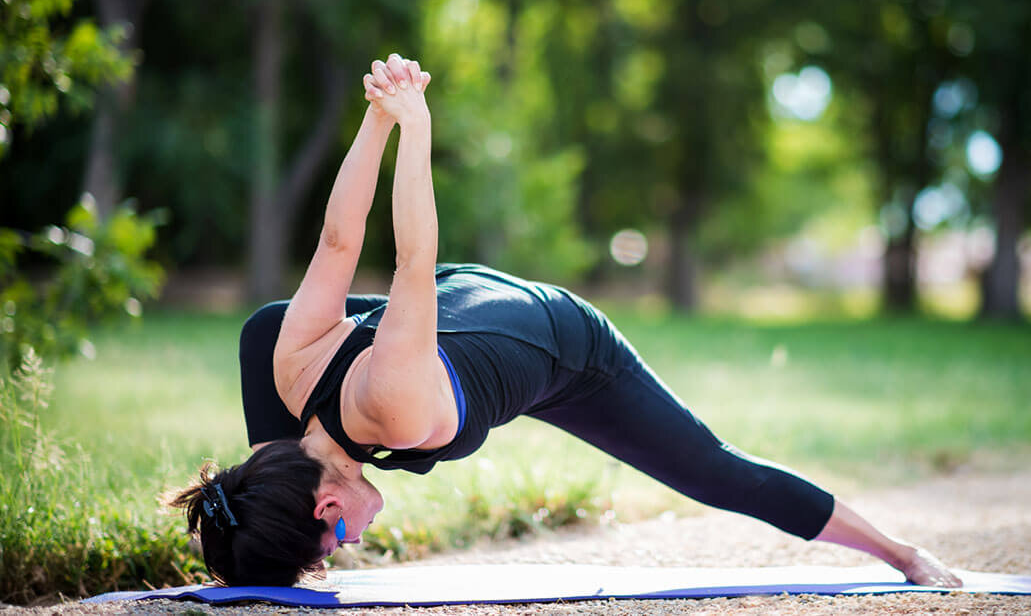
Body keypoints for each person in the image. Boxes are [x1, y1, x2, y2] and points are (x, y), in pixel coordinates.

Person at [170, 54, 962, 590]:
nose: (349, 552)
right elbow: (339, 239)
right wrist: (371, 121)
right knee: (269, 334)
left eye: (331, 551)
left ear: (327, 508)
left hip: (564, 346)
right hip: (466, 312)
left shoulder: (393, 409)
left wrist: (412, 124)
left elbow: (412, 260)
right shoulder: (288, 377)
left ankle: (904, 555)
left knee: (713, 471)